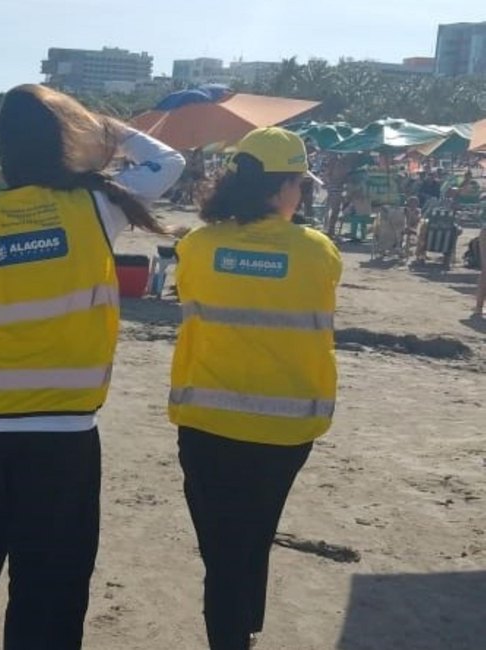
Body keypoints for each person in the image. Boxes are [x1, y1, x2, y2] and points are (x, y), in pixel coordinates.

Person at [0, 84, 184, 650]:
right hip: (66, 430)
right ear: (64, 142)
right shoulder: (96, 207)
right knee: (52, 572)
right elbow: (166, 162)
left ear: (1, 153)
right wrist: (102, 125)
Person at [170, 127, 341, 650]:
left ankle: (233, 633)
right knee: (252, 535)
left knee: (223, 549)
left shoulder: (196, 247)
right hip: (285, 432)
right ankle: (239, 629)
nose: (302, 195)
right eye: (300, 185)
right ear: (282, 187)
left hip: (207, 426)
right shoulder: (318, 253)